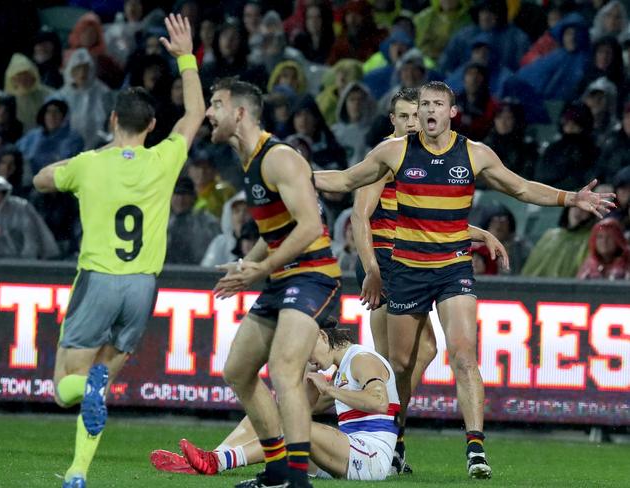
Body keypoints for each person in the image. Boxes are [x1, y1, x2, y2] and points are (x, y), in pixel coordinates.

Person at [313, 81, 615, 479]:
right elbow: (347, 180)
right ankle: (395, 439)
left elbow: (520, 186)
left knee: (463, 353)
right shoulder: (394, 151)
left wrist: (568, 198)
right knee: (401, 364)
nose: (429, 110)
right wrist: (291, 173)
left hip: (455, 267)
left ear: (453, 112)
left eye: (438, 104)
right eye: (424, 104)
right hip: (406, 269)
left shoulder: (474, 153)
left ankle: (476, 449)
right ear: (418, 112)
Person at [31, 14, 204, 488]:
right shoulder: (164, 158)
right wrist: (186, 56)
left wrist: (65, 170)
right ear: (151, 125)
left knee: (65, 383)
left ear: (112, 120)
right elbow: (193, 115)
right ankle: (77, 472)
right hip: (143, 286)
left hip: (99, 280)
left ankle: (82, 400)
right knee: (103, 377)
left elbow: (40, 180)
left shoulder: (89, 164)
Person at [351, 87, 509, 474]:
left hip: (422, 259)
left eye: (416, 114)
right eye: (406, 115)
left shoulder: (426, 151)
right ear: (394, 119)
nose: (413, 122)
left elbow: (434, 213)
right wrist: (371, 268)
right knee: (394, 362)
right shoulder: (389, 155)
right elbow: (360, 215)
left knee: (425, 353)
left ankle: (392, 434)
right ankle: (369, 428)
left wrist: (478, 233)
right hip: (389, 263)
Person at [206, 77, 342, 488]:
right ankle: (279, 469)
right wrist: (246, 266)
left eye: (216, 104)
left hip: (314, 275)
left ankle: (296, 480)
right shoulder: (249, 161)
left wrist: (261, 270)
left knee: (285, 369)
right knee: (238, 370)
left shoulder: (279, 157)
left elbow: (310, 226)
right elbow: (276, 232)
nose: (209, 113)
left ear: (240, 113)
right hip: (283, 277)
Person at [150, 326, 401, 481]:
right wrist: (309, 380)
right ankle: (209, 459)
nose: (308, 358)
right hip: (347, 456)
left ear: (322, 336)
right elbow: (301, 409)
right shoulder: (341, 371)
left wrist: (329, 389)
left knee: (298, 430)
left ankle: (218, 462)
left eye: (307, 351)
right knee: (264, 415)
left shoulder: (362, 359)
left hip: (371, 459)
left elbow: (379, 403)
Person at [0, 173, 59, 260]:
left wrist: (27, 262)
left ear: (3, 194)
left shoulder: (20, 208)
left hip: (18, 263)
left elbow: (30, 239)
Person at [166, 176, 220, 264]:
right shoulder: (161, 223)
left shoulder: (208, 223)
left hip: (198, 274)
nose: (180, 199)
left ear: (193, 197)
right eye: (176, 194)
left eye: (184, 194)